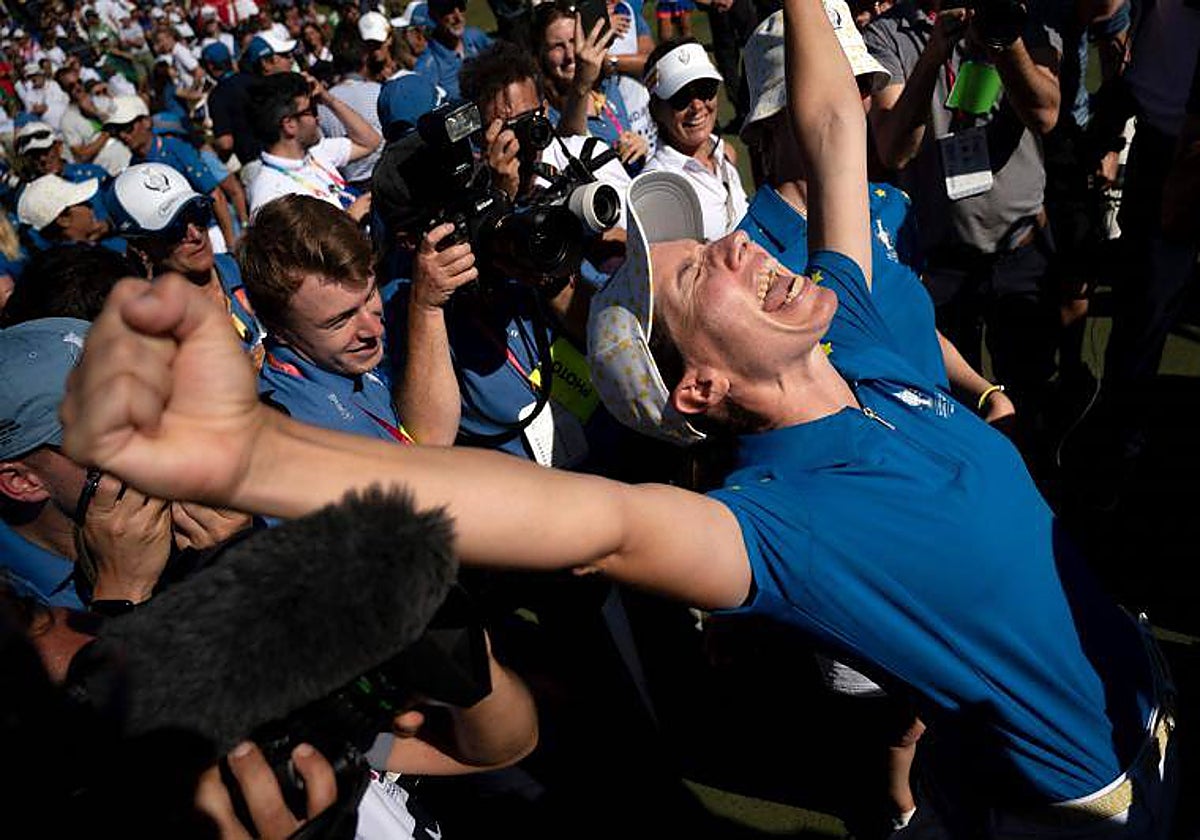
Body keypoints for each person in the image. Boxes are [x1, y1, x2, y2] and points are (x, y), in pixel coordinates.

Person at [65, 0, 1178, 836]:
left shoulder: (863, 336)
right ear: (699, 391)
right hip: (1092, 809)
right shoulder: (780, 524)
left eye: (718, 242)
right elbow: (586, 522)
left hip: (1144, 689)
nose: (745, 243)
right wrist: (258, 451)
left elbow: (832, 119)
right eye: (703, 277)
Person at [862, 0, 1063, 466]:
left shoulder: (1025, 15)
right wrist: (935, 53)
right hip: (939, 260)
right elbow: (894, 150)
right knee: (949, 409)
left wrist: (1002, 39)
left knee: (1032, 401)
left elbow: (1045, 113)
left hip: (1020, 250)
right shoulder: (890, 33)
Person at [240, 195, 433, 444]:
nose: (374, 329)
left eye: (371, 294)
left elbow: (429, 437)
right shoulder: (301, 438)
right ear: (280, 331)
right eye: (341, 320)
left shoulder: (338, 360)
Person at [104, 162, 264, 367]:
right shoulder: (152, 331)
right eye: (174, 229)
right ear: (140, 245)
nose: (196, 235)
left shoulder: (251, 268)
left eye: (198, 215)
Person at [103, 94, 240, 252]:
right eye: (116, 131)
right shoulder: (135, 167)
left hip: (209, 231)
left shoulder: (175, 148)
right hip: (175, 244)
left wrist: (230, 244)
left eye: (127, 128)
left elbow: (216, 195)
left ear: (146, 122)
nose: (122, 136)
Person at [641, 38, 747, 240]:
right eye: (681, 97)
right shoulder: (658, 189)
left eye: (706, 89)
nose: (697, 106)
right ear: (655, 109)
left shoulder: (722, 153)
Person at [534, 1, 651, 173]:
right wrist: (582, 82)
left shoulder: (607, 87)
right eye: (557, 46)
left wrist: (640, 145)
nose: (570, 54)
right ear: (542, 55)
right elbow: (570, 143)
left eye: (574, 40)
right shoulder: (546, 112)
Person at [246, 71, 380, 218]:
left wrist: (327, 99)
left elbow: (370, 142)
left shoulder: (315, 152)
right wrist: (351, 218)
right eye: (312, 110)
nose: (318, 118)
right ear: (289, 124)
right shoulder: (270, 193)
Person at [412, 0, 491, 101]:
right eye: (448, 10)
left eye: (461, 7)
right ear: (434, 16)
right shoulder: (428, 66)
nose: (458, 17)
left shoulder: (475, 36)